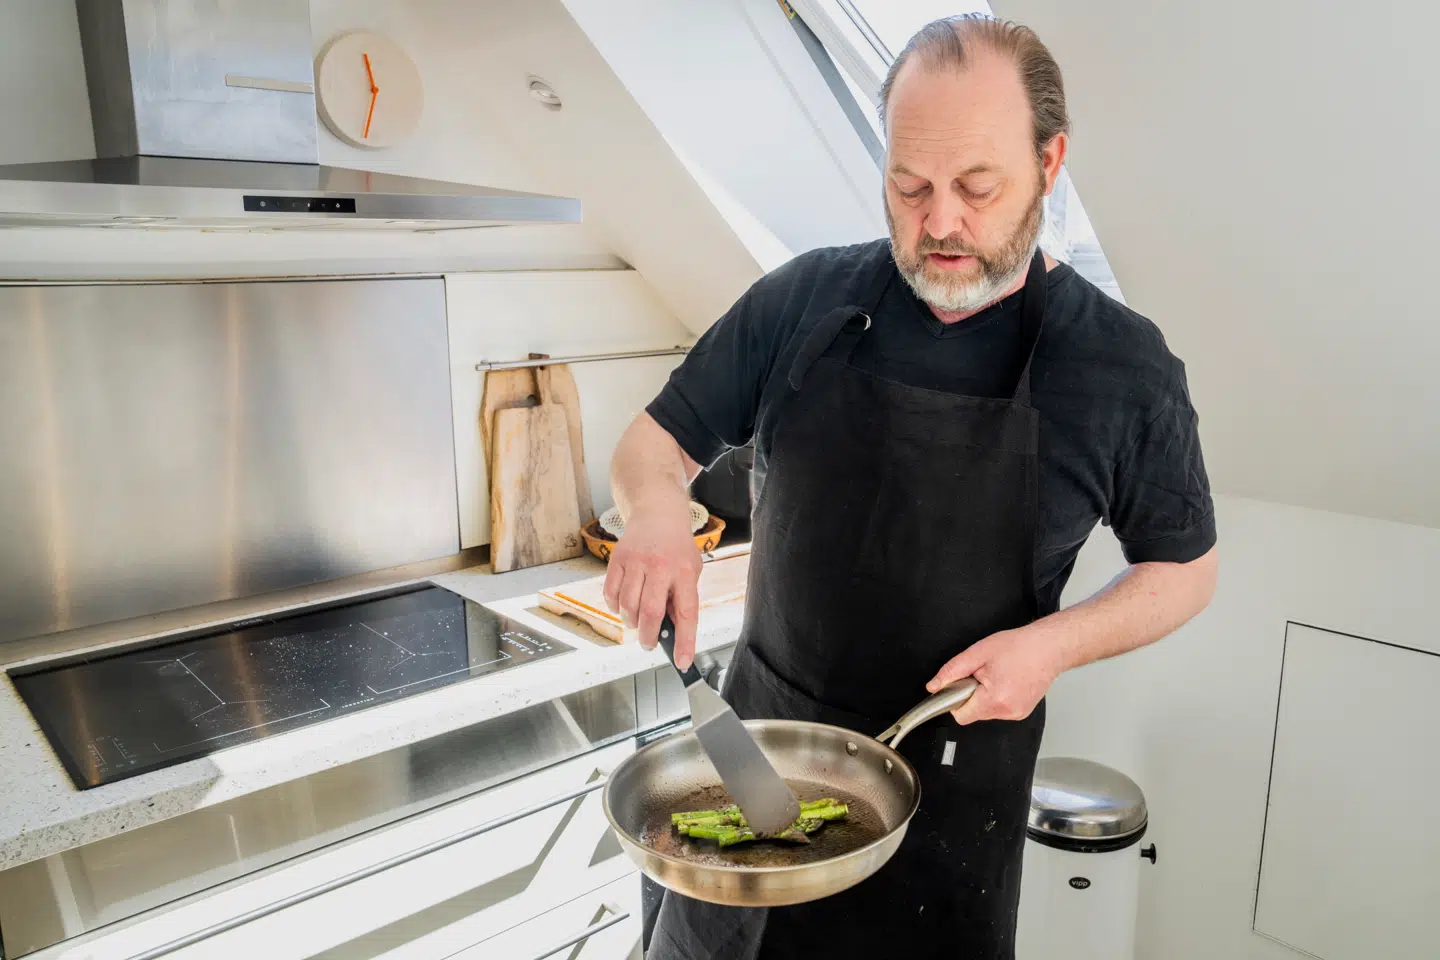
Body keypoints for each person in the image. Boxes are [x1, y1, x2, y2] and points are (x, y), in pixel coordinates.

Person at [606, 14, 1218, 960]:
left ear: (1051, 165)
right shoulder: (802, 299)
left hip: (946, 828)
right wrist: (653, 513)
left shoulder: (1122, 369)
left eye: (978, 187)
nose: (939, 223)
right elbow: (656, 442)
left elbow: (1184, 570)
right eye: (908, 185)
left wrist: (1053, 647)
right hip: (746, 777)